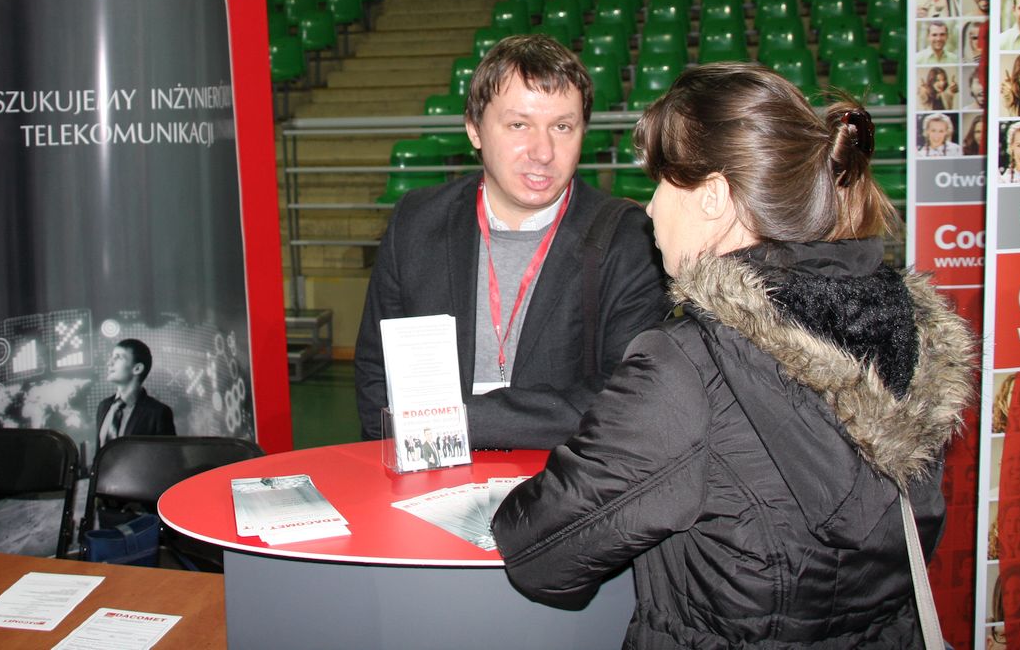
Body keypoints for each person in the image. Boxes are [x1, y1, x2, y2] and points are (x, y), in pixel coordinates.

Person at [492, 62, 976, 648]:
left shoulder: (690, 366)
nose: (650, 209)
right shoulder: (905, 331)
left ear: (714, 197)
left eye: (664, 184)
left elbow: (542, 553)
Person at [354, 35, 668, 450]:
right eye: (519, 125)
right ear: (474, 129)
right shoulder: (416, 223)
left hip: (567, 476)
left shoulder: (628, 240)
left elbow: (627, 393)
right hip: (431, 468)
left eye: (562, 127)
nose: (543, 152)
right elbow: (377, 372)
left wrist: (461, 421)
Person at [96, 338, 176, 448]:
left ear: (137, 368)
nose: (109, 363)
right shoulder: (104, 406)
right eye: (112, 357)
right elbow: (99, 454)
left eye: (118, 357)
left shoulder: (158, 413)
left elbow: (168, 455)